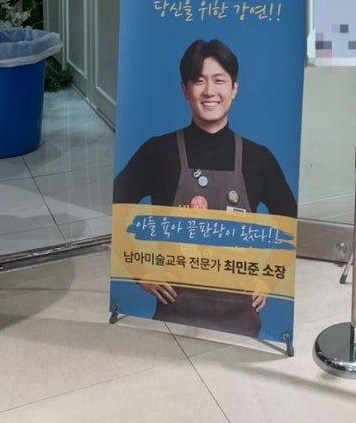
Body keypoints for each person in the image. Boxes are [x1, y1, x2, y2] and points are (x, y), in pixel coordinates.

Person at [113, 38, 297, 337]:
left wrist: (267, 279)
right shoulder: (158, 151)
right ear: (184, 89)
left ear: (234, 88)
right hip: (174, 310)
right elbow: (116, 208)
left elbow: (289, 221)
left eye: (219, 80)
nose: (209, 91)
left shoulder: (258, 158)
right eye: (199, 81)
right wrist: (141, 273)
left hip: (240, 315)